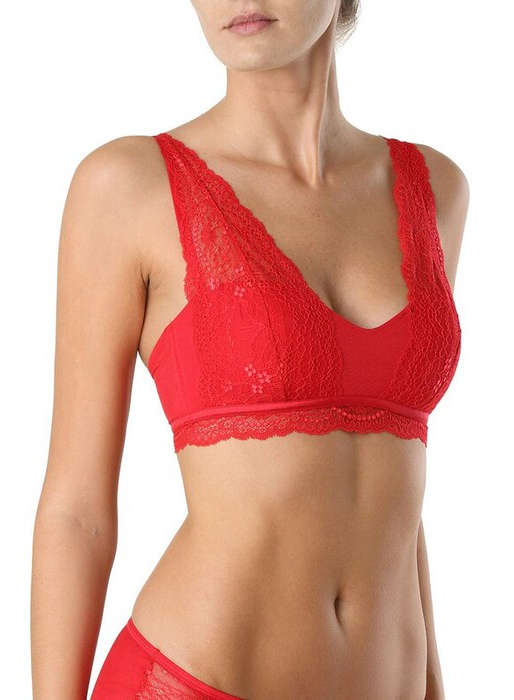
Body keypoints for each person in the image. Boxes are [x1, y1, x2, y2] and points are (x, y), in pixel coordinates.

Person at [30, 1, 469, 698]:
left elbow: (391, 489)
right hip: (193, 680)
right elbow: (76, 510)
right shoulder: (127, 186)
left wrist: (435, 685)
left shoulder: (435, 187)